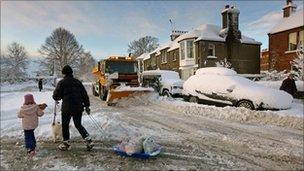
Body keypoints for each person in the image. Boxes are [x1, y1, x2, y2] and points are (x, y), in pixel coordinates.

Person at [53, 65, 93, 151]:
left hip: (67, 108)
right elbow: (84, 95)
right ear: (71, 73)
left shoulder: (62, 82)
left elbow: (56, 96)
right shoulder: (78, 82)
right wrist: (87, 106)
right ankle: (89, 140)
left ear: (64, 73)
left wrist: (56, 97)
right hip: (78, 107)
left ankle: (66, 143)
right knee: (78, 124)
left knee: (65, 125)